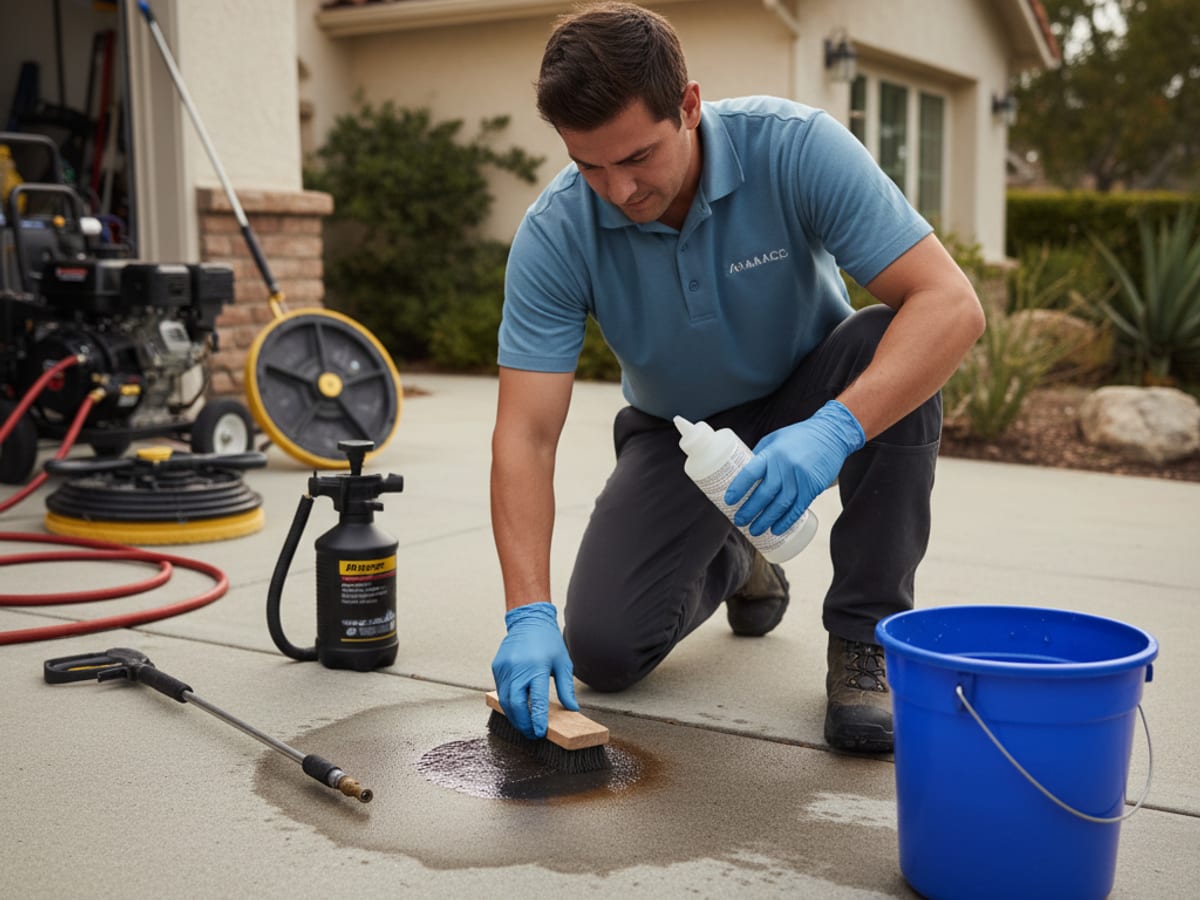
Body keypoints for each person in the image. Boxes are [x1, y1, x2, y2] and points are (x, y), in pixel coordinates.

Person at [489, 1, 985, 754]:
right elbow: (525, 435)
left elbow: (952, 305)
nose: (619, 190)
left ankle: (866, 637)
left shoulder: (793, 147)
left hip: (814, 392)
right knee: (604, 651)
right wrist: (527, 612)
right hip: (679, 434)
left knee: (894, 336)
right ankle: (738, 555)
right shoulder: (556, 232)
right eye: (590, 165)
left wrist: (835, 428)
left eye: (638, 156)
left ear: (688, 106)